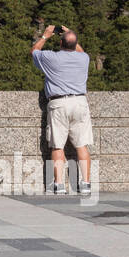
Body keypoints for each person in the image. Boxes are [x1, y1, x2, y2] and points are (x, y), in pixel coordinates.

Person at [31, 24, 93, 195]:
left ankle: (59, 184)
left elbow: (34, 51)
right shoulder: (84, 58)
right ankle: (86, 183)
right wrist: (69, 33)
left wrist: (45, 36)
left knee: (58, 145)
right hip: (79, 101)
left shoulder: (51, 57)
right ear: (75, 44)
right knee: (82, 144)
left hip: (58, 103)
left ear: (60, 44)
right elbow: (78, 50)